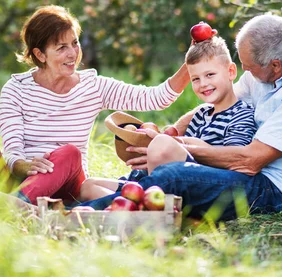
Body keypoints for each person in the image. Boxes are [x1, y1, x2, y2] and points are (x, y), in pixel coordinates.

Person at [0, 5, 189, 206]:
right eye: (61, 48)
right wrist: (21, 165)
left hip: (66, 184)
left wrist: (191, 64)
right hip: (20, 177)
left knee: (69, 153)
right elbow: (13, 148)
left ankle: (12, 209)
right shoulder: (16, 89)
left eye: (75, 43)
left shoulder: (93, 86)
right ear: (39, 54)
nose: (73, 54)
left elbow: (156, 97)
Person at [83, 14, 282, 220]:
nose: (244, 71)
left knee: (175, 176)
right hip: (250, 176)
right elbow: (211, 106)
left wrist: (177, 147)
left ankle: (80, 213)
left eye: (248, 66)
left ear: (275, 65)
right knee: (157, 177)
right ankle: (121, 200)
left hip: (276, 191)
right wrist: (171, 132)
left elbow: (251, 161)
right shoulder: (265, 74)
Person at [79, 35, 258, 199]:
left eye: (210, 75)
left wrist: (171, 144)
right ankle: (139, 204)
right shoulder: (200, 115)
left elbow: (232, 162)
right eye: (195, 79)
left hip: (191, 179)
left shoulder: (241, 114)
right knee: (88, 186)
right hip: (149, 180)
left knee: (162, 144)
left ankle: (146, 203)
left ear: (231, 72)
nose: (203, 84)